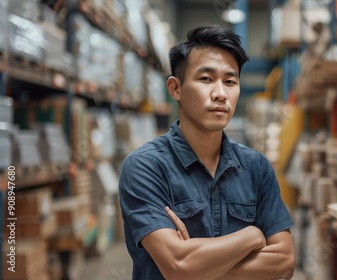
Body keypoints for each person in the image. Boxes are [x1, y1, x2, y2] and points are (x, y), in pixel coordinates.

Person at [118, 25, 295, 280]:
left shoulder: (256, 167)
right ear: (175, 88)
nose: (221, 94)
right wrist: (252, 235)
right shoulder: (145, 167)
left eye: (230, 82)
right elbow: (178, 266)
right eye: (206, 79)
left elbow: (284, 263)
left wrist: (199, 266)